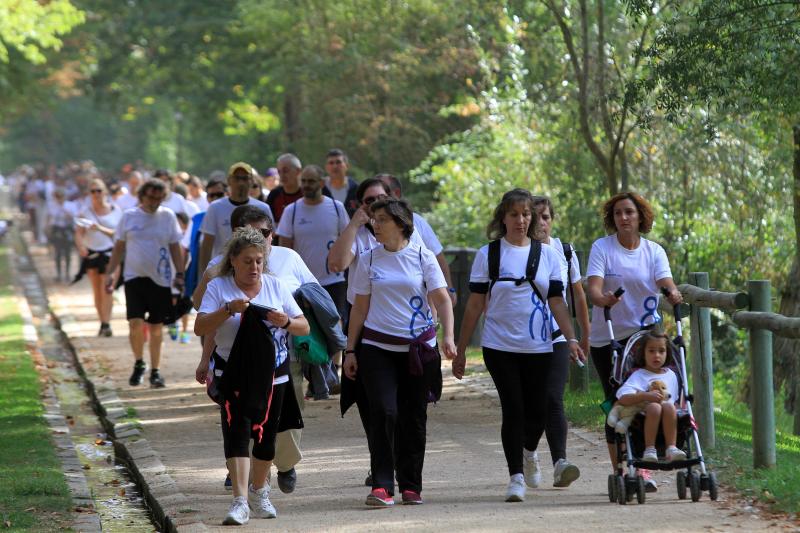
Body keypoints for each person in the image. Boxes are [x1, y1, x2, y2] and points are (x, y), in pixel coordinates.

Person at [452, 188, 585, 503]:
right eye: (514, 214)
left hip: (540, 346)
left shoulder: (549, 255)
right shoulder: (489, 254)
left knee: (537, 411)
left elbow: (557, 301)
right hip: (499, 345)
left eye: (527, 214)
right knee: (513, 409)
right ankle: (515, 477)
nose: (521, 220)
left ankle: (529, 452)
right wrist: (459, 349)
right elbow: (473, 305)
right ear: (503, 217)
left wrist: (572, 337)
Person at [193, 205, 316, 493]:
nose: (255, 265)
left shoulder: (288, 261)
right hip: (234, 364)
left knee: (279, 422)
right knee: (241, 424)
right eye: (251, 233)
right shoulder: (218, 274)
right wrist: (206, 356)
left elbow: (312, 303)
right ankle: (242, 480)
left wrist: (286, 320)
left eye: (264, 233)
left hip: (281, 359)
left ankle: (284, 465)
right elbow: (205, 321)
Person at [343, 197, 456, 507]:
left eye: (381, 220)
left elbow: (443, 299)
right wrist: (350, 350)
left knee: (413, 418)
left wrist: (449, 337)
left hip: (418, 352)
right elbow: (359, 309)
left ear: (401, 224)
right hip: (377, 349)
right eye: (373, 220)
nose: (374, 225)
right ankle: (381, 484)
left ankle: (411, 486)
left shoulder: (422, 257)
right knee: (383, 411)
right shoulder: (368, 259)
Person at [585, 191, 683, 491]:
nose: (623, 218)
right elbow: (594, 287)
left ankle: (645, 467)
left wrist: (673, 292)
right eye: (617, 213)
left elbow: (664, 281)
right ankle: (621, 470)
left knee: (653, 396)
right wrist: (602, 298)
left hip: (647, 337)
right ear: (612, 219)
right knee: (618, 402)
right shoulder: (602, 248)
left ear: (640, 216)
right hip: (610, 337)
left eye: (629, 212)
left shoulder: (653, 251)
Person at [519, 195, 591, 488]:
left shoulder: (564, 251)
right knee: (533, 405)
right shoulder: (518, 252)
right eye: (536, 217)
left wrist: (584, 334)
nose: (541, 223)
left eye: (546, 217)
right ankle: (528, 452)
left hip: (558, 337)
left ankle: (560, 462)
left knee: (553, 398)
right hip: (524, 340)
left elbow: (578, 295)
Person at [277, 164, 349, 400]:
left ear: (322, 183)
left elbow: (348, 240)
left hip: (333, 279)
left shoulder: (336, 209)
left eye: (312, 181)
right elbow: (284, 246)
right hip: (302, 285)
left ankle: (332, 374)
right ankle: (312, 374)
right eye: (304, 181)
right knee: (307, 329)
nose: (307, 185)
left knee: (333, 323)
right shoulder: (292, 211)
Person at [105, 179, 185, 388]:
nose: (155, 202)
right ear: (142, 196)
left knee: (157, 327)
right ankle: (139, 362)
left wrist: (180, 273)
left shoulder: (167, 216)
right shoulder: (129, 216)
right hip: (133, 277)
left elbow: (175, 246)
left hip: (160, 279)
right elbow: (118, 247)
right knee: (135, 323)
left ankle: (156, 371)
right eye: (151, 197)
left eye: (159, 198)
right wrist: (110, 273)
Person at [379, 174, 457, 306]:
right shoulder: (363, 225)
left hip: (417, 302)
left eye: (384, 191)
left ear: (396, 193)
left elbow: (437, 258)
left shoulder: (417, 222)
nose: (379, 197)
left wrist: (449, 289)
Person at [615, 331, 687, 462]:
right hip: (643, 415)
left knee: (670, 406)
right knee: (654, 407)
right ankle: (649, 449)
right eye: (651, 351)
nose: (657, 355)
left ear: (667, 353)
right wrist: (644, 396)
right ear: (643, 353)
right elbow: (623, 397)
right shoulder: (638, 375)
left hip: (667, 414)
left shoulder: (671, 375)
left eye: (661, 351)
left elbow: (674, 399)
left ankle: (671, 447)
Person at [198, 162, 274, 275]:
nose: (241, 183)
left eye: (245, 178)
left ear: (252, 181)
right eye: (237, 178)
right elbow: (207, 244)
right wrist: (204, 275)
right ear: (229, 181)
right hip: (222, 271)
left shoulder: (263, 208)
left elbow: (271, 241)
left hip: (254, 272)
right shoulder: (215, 207)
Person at [74, 179, 124, 336]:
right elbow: (79, 233)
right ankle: (102, 322)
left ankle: (107, 324)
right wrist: (81, 246)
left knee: (107, 288)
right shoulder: (85, 212)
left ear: (105, 192)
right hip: (92, 253)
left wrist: (100, 229)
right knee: (97, 290)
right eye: (93, 191)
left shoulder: (117, 211)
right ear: (89, 194)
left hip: (111, 254)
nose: (96, 194)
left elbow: (120, 234)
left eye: (99, 190)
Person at [266, 154, 303, 226]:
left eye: (285, 171)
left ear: (298, 171)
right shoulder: (274, 195)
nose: (282, 175)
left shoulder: (307, 193)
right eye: (279, 172)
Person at [47, 189, 74, 283]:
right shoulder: (52, 206)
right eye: (57, 197)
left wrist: (66, 212)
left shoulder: (70, 205)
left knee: (67, 253)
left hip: (66, 230)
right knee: (58, 253)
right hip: (57, 230)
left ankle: (67, 273)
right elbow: (50, 219)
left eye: (61, 197)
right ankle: (59, 274)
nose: (59, 199)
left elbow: (74, 218)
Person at [323, 148, 359, 216]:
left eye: (338, 162)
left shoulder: (356, 189)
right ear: (326, 167)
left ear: (347, 166)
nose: (335, 166)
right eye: (331, 163)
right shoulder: (320, 189)